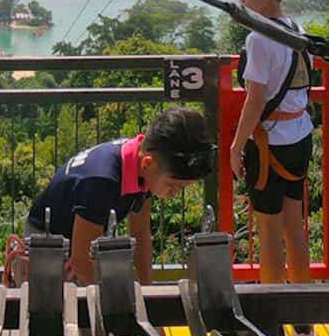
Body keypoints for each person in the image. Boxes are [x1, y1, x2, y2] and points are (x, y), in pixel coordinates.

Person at [20, 106, 215, 286]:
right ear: (148, 163)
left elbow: (140, 233)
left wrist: (148, 293)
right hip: (47, 242)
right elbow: (81, 261)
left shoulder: (141, 161)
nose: (173, 194)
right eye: (173, 186)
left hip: (85, 236)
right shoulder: (102, 181)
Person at [228, 0, 314, 336]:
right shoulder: (297, 30)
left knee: (268, 229)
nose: (242, 0)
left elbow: (254, 98)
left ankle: (271, 322)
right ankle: (304, 319)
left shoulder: (258, 39)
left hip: (270, 141)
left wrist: (235, 146)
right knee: (295, 225)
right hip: (300, 135)